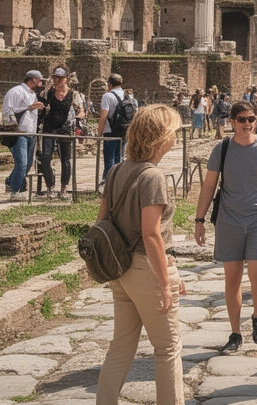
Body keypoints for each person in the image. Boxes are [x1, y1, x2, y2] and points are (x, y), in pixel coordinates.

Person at [95, 104, 186, 405]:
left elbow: (101, 219)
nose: (175, 137)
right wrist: (165, 282)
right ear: (161, 137)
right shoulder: (153, 177)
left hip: (119, 269)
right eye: (173, 131)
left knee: (121, 346)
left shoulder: (117, 170)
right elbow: (151, 234)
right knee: (168, 348)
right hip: (146, 268)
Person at [194, 101, 257, 355]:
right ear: (232, 122)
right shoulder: (221, 149)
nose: (248, 124)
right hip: (229, 219)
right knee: (232, 280)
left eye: (252, 119)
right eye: (243, 119)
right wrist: (199, 220)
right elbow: (209, 186)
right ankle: (235, 332)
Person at [37, 67, 83, 198]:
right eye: (55, 77)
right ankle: (50, 185)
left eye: (60, 78)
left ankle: (63, 188)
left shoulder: (74, 94)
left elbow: (81, 110)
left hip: (65, 128)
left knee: (65, 159)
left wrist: (79, 117)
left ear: (66, 79)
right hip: (49, 127)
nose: (57, 80)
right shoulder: (48, 93)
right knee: (45, 157)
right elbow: (40, 105)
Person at [2, 70, 45, 199]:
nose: (41, 83)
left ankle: (11, 181)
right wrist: (29, 108)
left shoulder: (32, 94)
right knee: (21, 163)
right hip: (19, 132)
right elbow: (7, 111)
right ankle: (15, 191)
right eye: (40, 80)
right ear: (33, 80)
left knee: (28, 164)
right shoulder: (16, 92)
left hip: (31, 132)